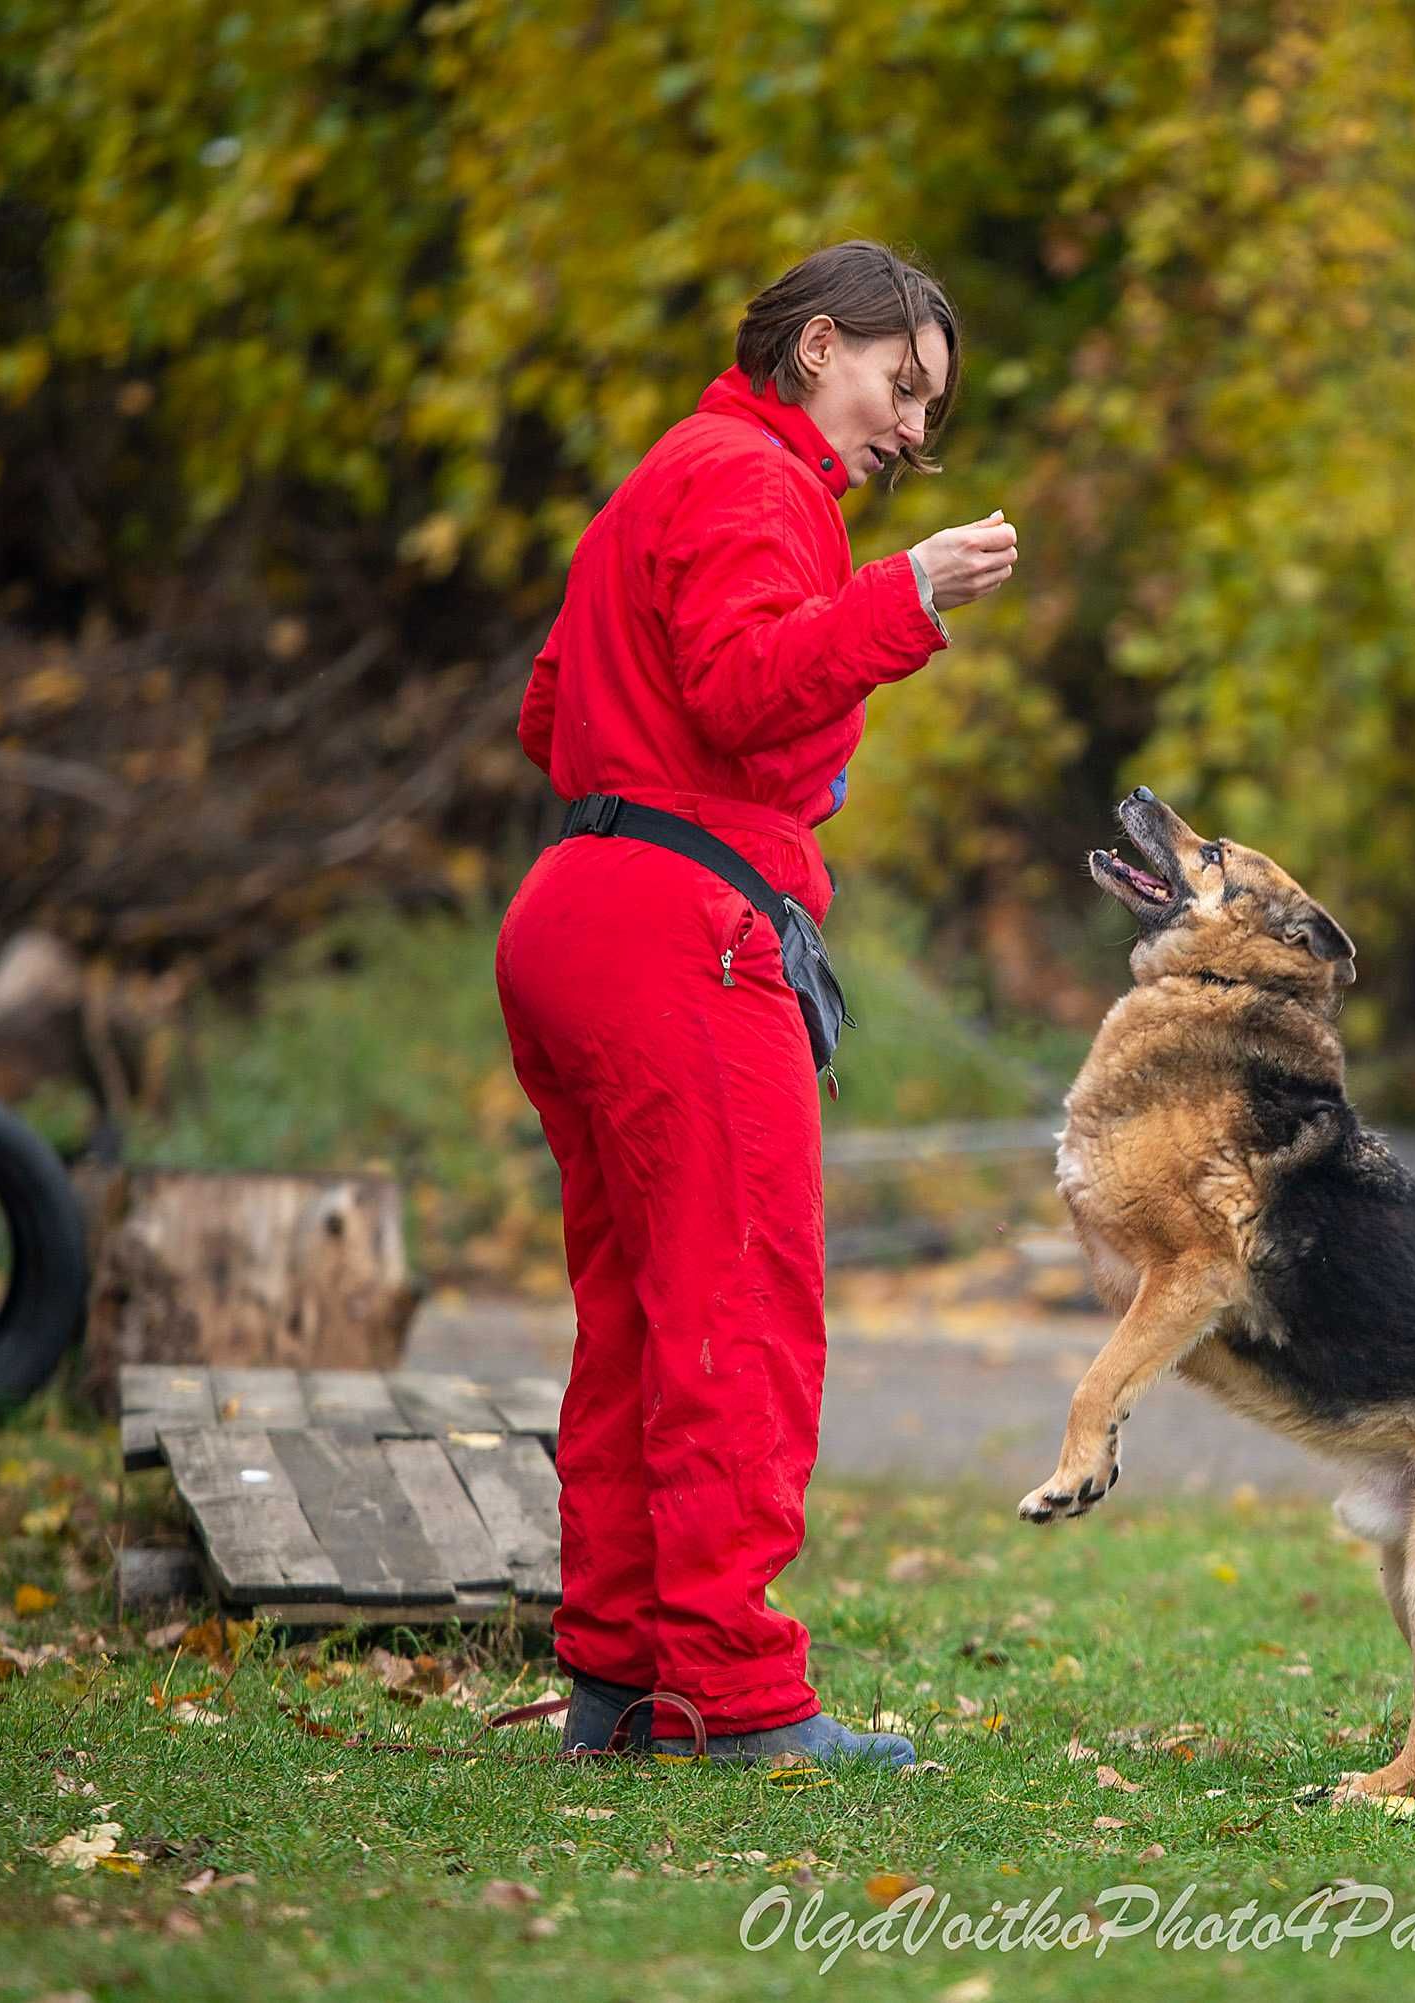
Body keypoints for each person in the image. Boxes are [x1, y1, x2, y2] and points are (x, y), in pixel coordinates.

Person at [496, 243, 1017, 1765]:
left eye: (931, 408)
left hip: (574, 912)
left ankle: (620, 1680)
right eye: (899, 384)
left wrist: (761, 771)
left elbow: (553, 710)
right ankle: (733, 1697)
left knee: (638, 1315)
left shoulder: (666, 472)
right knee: (741, 1310)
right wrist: (903, 598)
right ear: (815, 349)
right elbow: (739, 686)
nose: (914, 430)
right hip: (682, 929)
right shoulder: (756, 480)